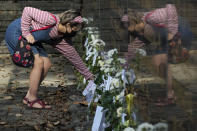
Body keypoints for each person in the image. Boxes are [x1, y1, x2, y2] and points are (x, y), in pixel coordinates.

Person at [5, 7, 94, 109]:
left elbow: (74, 57)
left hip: (31, 39)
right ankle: (33, 99)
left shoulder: (61, 39)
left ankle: (29, 96)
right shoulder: (50, 20)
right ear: (68, 24)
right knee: (38, 62)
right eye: (73, 30)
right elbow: (27, 10)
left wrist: (89, 76)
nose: (74, 34)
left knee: (47, 63)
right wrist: (26, 32)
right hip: (18, 31)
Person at [121, 4, 192, 105]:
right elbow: (132, 48)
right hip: (166, 39)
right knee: (158, 63)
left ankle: (180, 51)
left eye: (132, 30)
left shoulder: (152, 17)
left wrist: (172, 34)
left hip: (180, 31)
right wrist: (124, 65)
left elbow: (171, 8)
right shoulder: (143, 32)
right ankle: (170, 95)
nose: (135, 34)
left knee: (160, 59)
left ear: (135, 21)